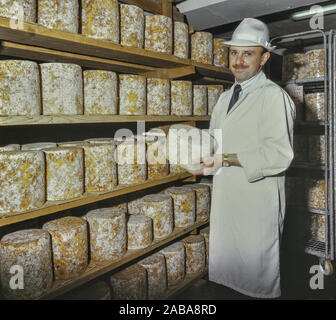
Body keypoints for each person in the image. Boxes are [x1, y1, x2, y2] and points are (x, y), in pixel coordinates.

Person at [196, 18, 295, 298]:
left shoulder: (274, 97)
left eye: (248, 53)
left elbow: (279, 155)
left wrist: (225, 159)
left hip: (256, 205)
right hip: (228, 202)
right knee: (227, 283)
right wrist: (191, 149)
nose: (238, 61)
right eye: (234, 53)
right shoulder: (225, 99)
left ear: (263, 58)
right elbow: (216, 140)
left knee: (254, 284)